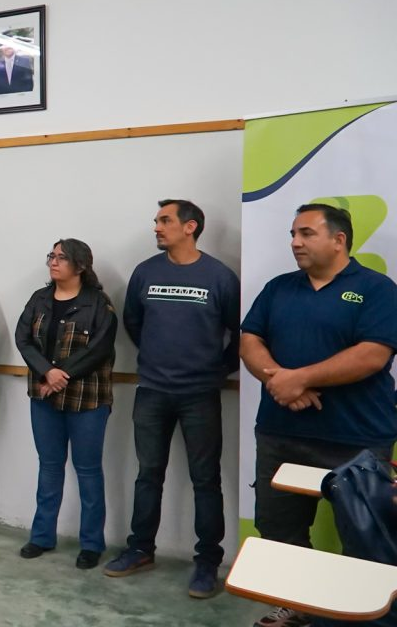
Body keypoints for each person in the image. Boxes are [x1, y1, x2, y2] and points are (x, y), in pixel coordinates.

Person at [240, 203, 397, 627]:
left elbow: (372, 354)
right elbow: (250, 340)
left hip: (356, 438)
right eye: (293, 234)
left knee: (366, 537)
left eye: (306, 233)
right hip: (280, 432)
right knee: (278, 528)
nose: (295, 242)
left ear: (338, 239)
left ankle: (358, 617)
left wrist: (300, 378)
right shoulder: (278, 288)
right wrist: (280, 382)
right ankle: (298, 608)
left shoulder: (377, 289)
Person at [103, 199, 240, 599]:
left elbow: (240, 332)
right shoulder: (146, 272)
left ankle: (207, 562)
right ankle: (140, 549)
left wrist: (218, 369)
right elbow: (133, 322)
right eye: (157, 221)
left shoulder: (219, 276)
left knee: (206, 480)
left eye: (165, 220)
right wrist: (156, 358)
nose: (157, 227)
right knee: (148, 474)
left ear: (190, 227)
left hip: (200, 394)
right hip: (152, 391)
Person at [14, 239, 117, 569]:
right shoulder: (39, 299)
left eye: (62, 257)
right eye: (52, 256)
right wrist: (47, 372)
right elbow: (23, 339)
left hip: (87, 399)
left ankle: (91, 544)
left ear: (81, 265)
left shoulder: (98, 303)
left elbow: (99, 349)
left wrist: (62, 375)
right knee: (49, 466)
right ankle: (42, 536)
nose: (53, 262)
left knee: (88, 471)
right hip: (44, 397)